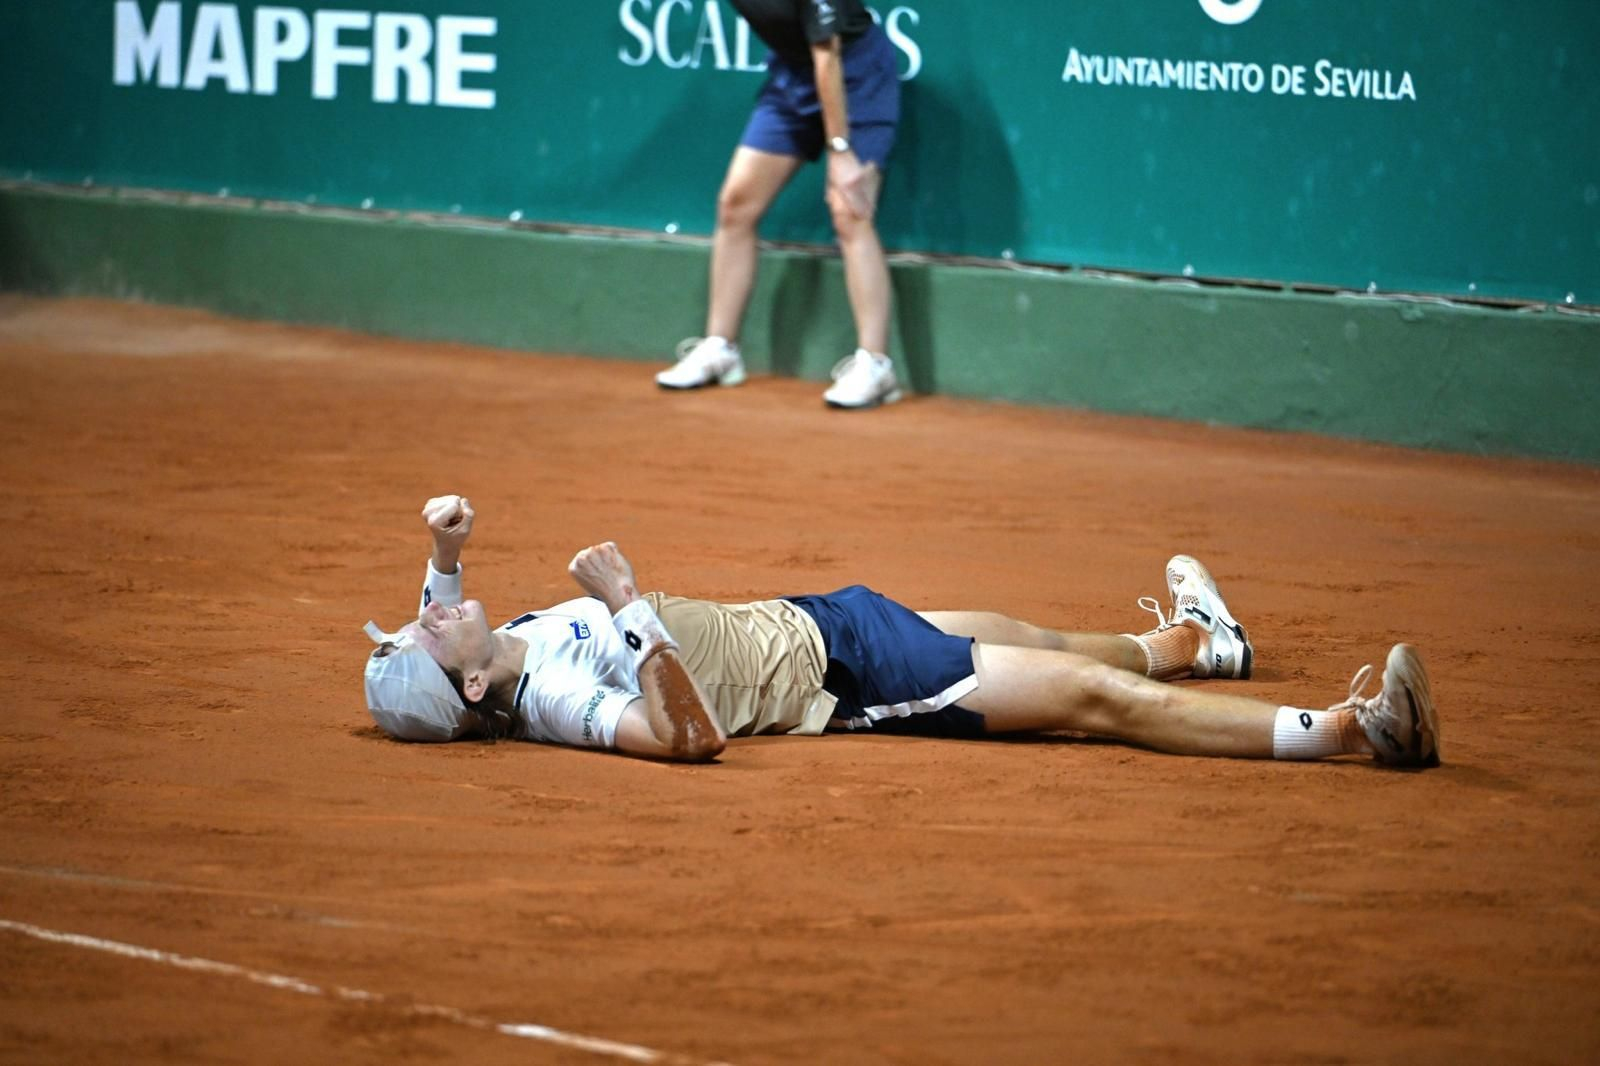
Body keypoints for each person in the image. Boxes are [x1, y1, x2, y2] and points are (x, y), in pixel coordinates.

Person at [362, 496, 1442, 769]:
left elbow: (436, 622)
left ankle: (1199, 645)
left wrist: (446, 553)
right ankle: (1356, 730)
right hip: (851, 675)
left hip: (820, 619)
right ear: (469, 691)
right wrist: (631, 606)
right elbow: (687, 740)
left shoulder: (493, 650)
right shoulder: (556, 699)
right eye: (424, 636)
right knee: (1090, 701)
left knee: (1037, 637)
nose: (428, 615)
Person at [654, 0, 904, 410]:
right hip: (794, 75)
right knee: (736, 205)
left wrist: (840, 150)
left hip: (855, 76)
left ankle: (876, 366)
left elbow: (827, 56)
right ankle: (720, 348)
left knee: (849, 211)